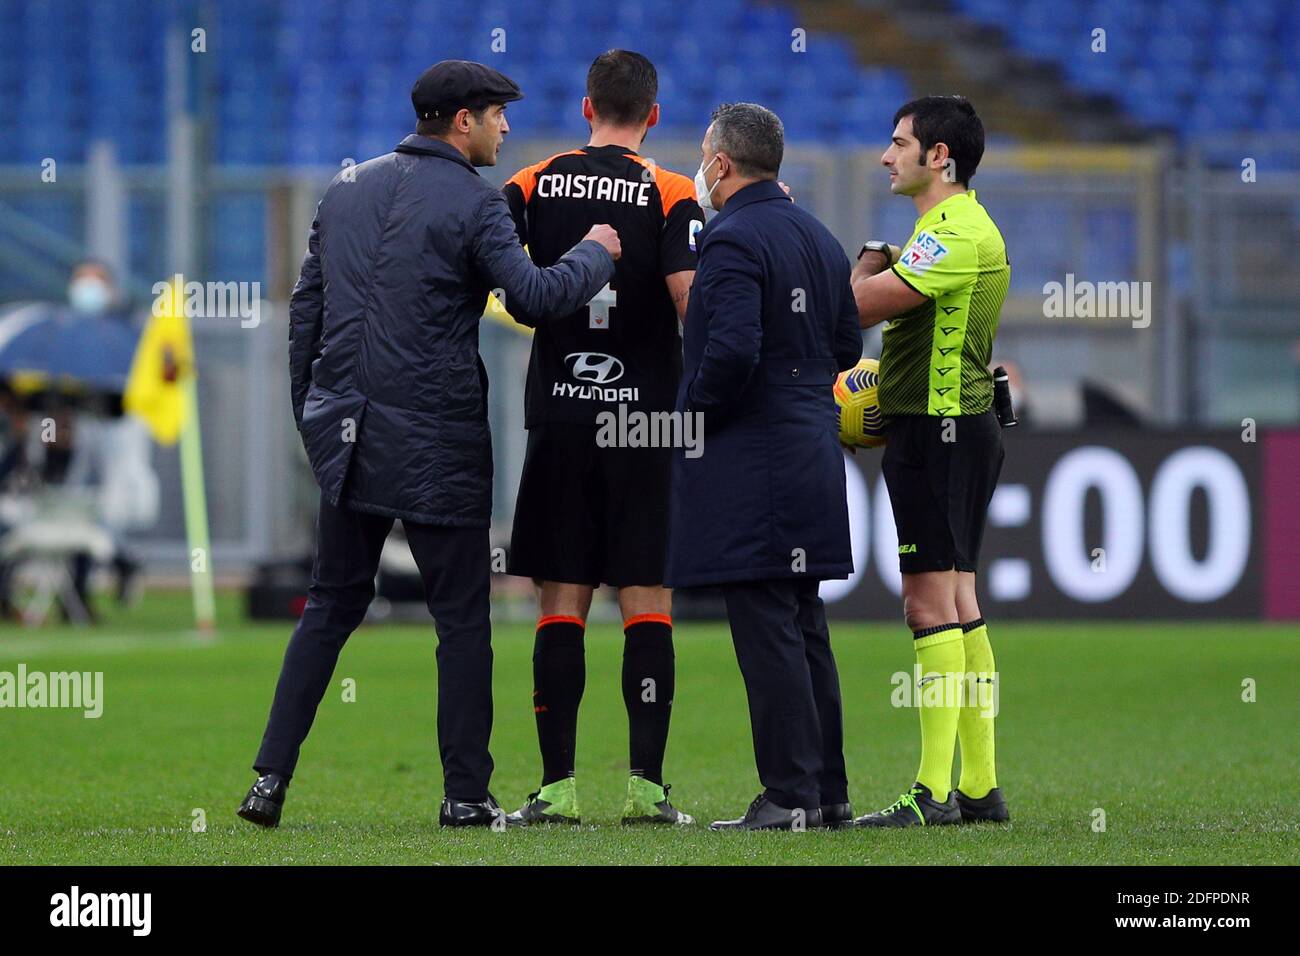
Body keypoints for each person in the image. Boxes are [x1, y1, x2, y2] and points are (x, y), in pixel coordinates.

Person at [237, 60, 621, 830]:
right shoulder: (475, 205)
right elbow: (537, 297)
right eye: (498, 115)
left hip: (348, 437)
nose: (507, 128)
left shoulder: (346, 189)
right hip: (437, 440)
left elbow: (305, 315)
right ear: (462, 121)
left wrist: (314, 420)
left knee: (330, 608)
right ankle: (465, 796)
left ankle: (268, 783)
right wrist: (597, 252)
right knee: (461, 620)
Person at [500, 50, 700, 827]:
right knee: (647, 595)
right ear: (654, 115)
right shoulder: (675, 190)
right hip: (646, 417)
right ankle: (647, 791)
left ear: (587, 109)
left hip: (561, 411)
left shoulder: (531, 179)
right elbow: (693, 303)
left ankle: (555, 790)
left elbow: (496, 275)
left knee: (563, 596)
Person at [665, 103, 862, 831]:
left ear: (720, 164)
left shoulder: (731, 240)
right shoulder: (817, 235)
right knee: (805, 625)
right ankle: (828, 793)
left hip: (758, 463)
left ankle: (788, 795)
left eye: (705, 159)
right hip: (810, 449)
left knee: (769, 630)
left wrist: (693, 413)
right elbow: (845, 346)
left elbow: (733, 349)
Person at [848, 95, 1011, 826]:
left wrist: (853, 270)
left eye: (899, 142)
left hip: (936, 435)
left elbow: (862, 307)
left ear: (938, 156)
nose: (887, 156)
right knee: (962, 603)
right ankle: (977, 787)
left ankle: (928, 794)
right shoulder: (956, 226)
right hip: (960, 428)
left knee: (927, 605)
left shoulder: (949, 232)